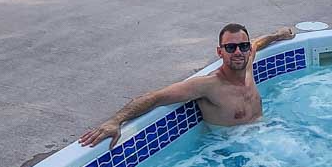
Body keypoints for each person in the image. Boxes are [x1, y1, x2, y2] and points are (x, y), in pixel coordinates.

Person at [80, 23, 296, 148]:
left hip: (266, 134)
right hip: (232, 150)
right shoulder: (209, 85)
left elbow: (258, 42)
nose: (238, 52)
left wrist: (278, 34)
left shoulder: (247, 65)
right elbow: (156, 96)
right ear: (220, 52)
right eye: (230, 48)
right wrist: (115, 120)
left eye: (242, 46)